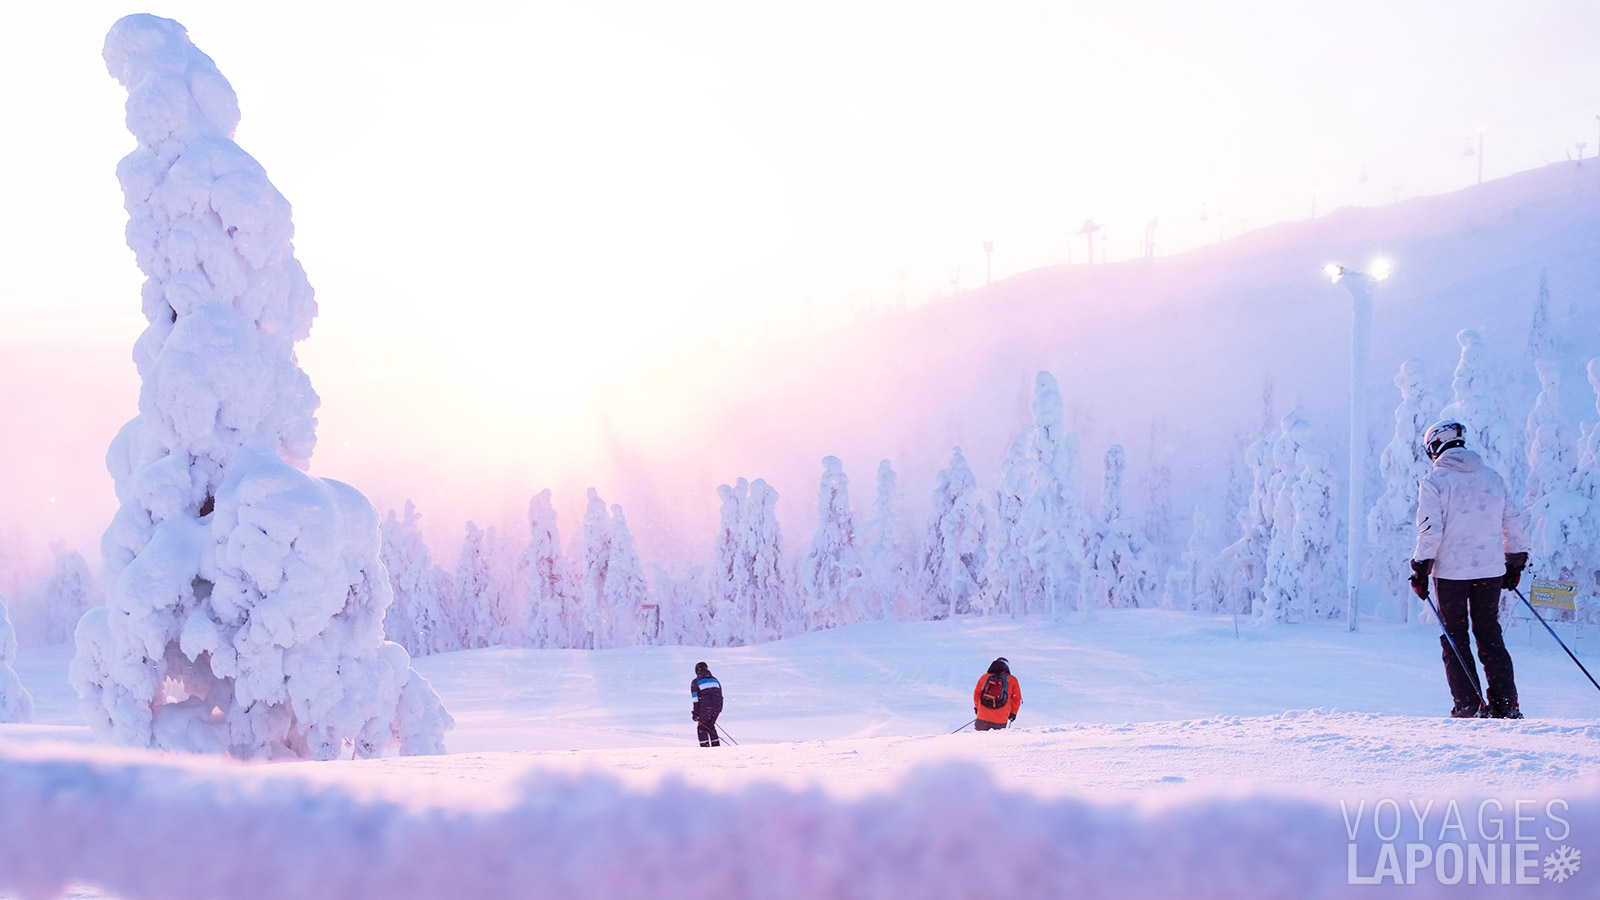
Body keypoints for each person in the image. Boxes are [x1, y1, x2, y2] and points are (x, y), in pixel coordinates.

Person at [1410, 421, 1530, 719]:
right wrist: (1514, 561)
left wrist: (1421, 568)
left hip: (1451, 574)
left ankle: (1469, 705)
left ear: (1436, 446)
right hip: (1489, 571)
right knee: (1489, 634)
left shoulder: (1435, 481)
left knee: (1455, 636)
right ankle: (1506, 705)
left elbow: (1430, 531)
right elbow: (1513, 521)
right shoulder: (1492, 478)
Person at [972, 657, 1021, 730]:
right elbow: (1016, 699)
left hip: (983, 716)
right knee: (996, 740)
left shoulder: (984, 677)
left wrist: (977, 708)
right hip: (1000, 718)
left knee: (979, 739)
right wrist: (1013, 713)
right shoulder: (1012, 679)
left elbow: (977, 694)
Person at [690, 661, 724, 747]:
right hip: (717, 708)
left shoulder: (696, 682)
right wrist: (718, 709)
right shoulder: (715, 680)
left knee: (701, 728)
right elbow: (720, 695)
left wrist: (695, 713)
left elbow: (695, 699)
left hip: (705, 708)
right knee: (710, 726)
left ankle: (705, 749)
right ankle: (716, 747)